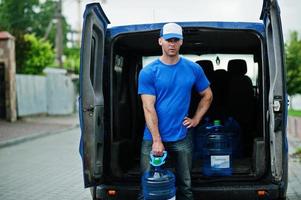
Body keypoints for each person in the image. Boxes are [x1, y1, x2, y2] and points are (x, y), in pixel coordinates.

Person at [138, 22, 213, 200]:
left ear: (181, 42)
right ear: (160, 41)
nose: (172, 43)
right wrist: (157, 140)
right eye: (168, 40)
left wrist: (195, 119)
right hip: (152, 138)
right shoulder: (149, 72)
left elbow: (207, 95)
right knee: (147, 186)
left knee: (185, 187)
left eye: (175, 40)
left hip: (181, 135)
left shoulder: (193, 68)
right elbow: (148, 108)